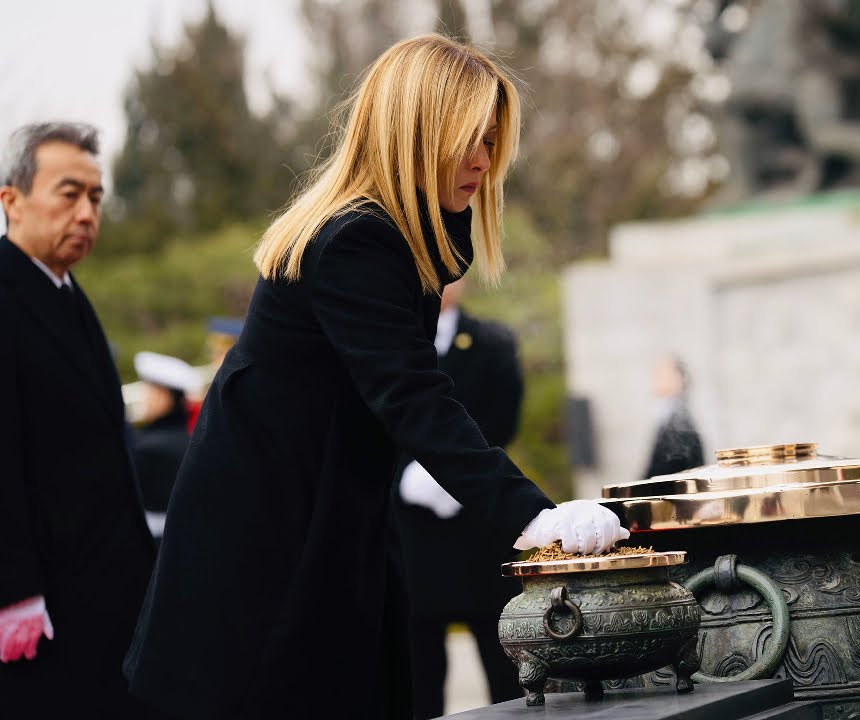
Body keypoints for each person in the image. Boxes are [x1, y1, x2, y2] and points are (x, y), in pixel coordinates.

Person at [123, 34, 629, 719]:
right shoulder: (359, 239)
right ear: (415, 134)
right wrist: (535, 514)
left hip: (321, 523)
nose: (484, 160)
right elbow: (414, 395)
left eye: (490, 141)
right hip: (273, 545)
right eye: (467, 139)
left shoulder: (389, 236)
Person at [0, 122, 160, 716]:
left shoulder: (68, 294)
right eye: (68, 194)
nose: (87, 212)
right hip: (41, 610)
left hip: (110, 593)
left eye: (95, 197)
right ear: (11, 201)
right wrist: (13, 595)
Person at [393, 277, 526, 718]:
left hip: (477, 525)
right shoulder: (390, 339)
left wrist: (457, 476)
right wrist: (404, 475)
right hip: (412, 531)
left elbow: (502, 418)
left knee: (501, 658)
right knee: (417, 664)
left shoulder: (491, 342)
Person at [132, 350, 201, 537]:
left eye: (149, 391)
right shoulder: (187, 438)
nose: (144, 399)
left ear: (165, 396)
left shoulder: (151, 449)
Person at [642, 354, 705, 478]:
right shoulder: (667, 416)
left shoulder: (681, 421)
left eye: (663, 374)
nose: (656, 379)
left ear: (679, 379)